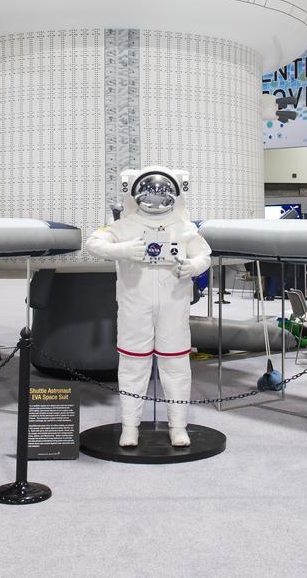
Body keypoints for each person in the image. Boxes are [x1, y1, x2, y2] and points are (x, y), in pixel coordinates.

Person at [86, 166, 211, 449]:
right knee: (132, 365)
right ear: (135, 192)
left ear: (175, 192)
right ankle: (130, 428)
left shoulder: (184, 227)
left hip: (173, 305)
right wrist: (122, 250)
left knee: (176, 365)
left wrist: (192, 266)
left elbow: (204, 255)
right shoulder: (125, 226)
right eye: (149, 192)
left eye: (163, 191)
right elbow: (94, 242)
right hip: (134, 305)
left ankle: (178, 426)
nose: (156, 198)